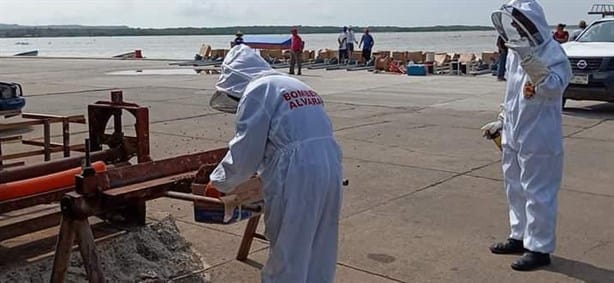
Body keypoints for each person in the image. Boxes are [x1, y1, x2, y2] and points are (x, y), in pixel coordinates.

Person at [208, 44, 344, 283]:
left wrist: (220, 182)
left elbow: (246, 150)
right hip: (329, 161)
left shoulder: (258, 90)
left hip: (298, 170)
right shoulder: (294, 84)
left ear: (235, 78)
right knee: (320, 241)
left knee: (289, 245)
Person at [484, 0, 572, 271]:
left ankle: (540, 247)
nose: (516, 29)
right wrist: (501, 119)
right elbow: (512, 94)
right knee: (515, 187)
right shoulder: (513, 54)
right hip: (514, 131)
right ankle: (519, 235)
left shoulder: (552, 52)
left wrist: (531, 61)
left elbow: (555, 88)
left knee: (539, 192)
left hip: (540, 135)